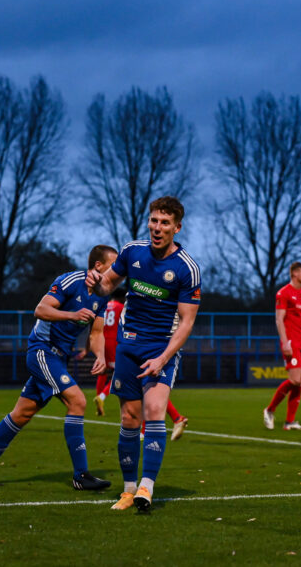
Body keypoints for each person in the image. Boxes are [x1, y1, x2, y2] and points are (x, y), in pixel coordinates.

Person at [0, 245, 117, 491]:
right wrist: (71, 315)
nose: (117, 274)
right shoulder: (71, 281)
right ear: (99, 266)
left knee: (21, 414)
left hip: (58, 359)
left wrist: (99, 354)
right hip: (42, 351)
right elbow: (41, 309)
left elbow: (97, 332)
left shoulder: (103, 296)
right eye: (114, 267)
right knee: (78, 401)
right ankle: (81, 475)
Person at [86, 196, 201, 513]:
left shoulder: (186, 268)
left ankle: (146, 487)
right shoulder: (131, 252)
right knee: (128, 418)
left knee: (154, 410)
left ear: (177, 227)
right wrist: (96, 283)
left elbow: (187, 323)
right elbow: (107, 284)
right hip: (129, 346)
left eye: (165, 223)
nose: (157, 228)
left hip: (161, 349)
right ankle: (127, 490)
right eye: (154, 221)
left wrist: (163, 358)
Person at [98, 288, 189, 440]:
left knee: (146, 386)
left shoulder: (111, 306)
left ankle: (102, 396)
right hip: (131, 345)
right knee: (147, 387)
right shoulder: (127, 306)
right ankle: (175, 419)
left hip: (123, 345)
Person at [263, 262, 301, 431]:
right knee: (294, 380)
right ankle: (270, 410)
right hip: (292, 342)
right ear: (295, 274)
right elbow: (279, 319)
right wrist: (284, 342)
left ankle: (290, 422)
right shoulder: (283, 293)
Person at [94, 288, 125, 417]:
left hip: (102, 340)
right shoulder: (121, 307)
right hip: (114, 342)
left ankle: (99, 400)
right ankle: (101, 396)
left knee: (103, 371)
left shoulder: (105, 306)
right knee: (120, 372)